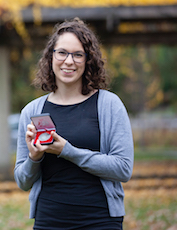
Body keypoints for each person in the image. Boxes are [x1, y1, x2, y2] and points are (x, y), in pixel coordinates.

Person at [14, 17, 134, 230]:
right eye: (62, 52)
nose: (69, 61)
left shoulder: (108, 105)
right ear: (51, 56)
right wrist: (34, 157)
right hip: (49, 221)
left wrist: (67, 150)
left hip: (100, 221)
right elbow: (23, 182)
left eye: (78, 54)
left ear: (88, 60)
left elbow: (123, 169)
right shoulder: (33, 111)